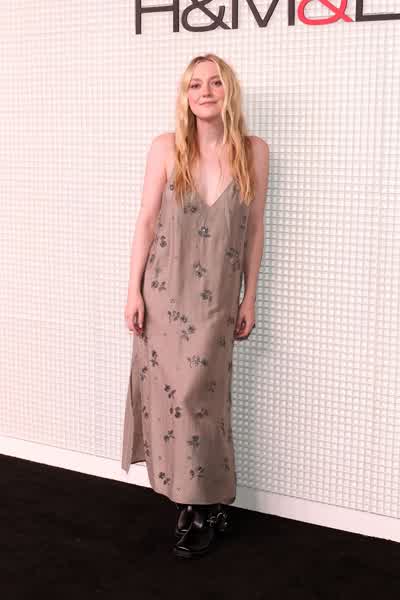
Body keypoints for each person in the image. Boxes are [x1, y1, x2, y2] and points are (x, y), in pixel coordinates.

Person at [122, 53, 269, 559]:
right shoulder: (166, 148)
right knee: (174, 399)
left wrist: (251, 294)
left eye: (215, 83)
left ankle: (208, 500)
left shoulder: (253, 151)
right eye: (194, 85)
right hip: (164, 295)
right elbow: (146, 220)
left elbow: (254, 228)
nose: (205, 92)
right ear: (185, 96)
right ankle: (195, 506)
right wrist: (133, 290)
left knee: (203, 399)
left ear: (229, 91)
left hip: (218, 301)